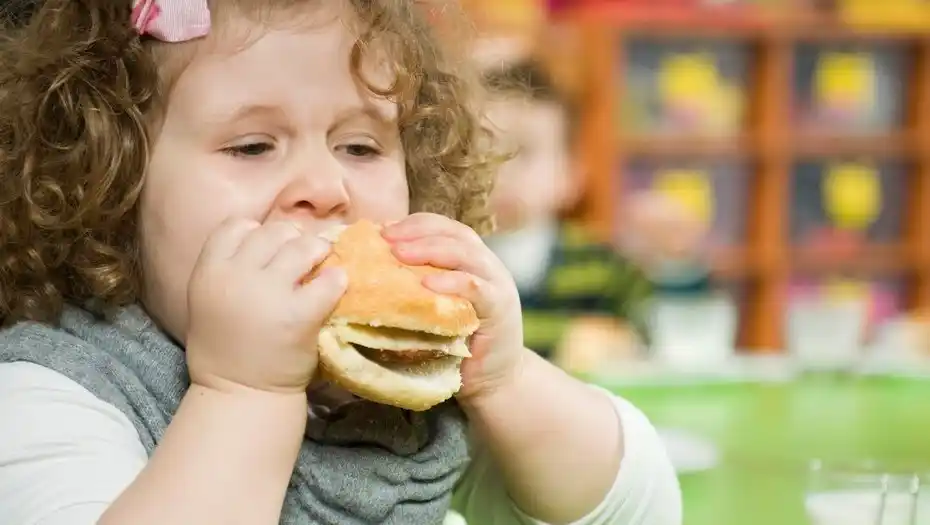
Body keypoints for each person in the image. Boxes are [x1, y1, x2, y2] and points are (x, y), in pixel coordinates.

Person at [0, 2, 681, 525]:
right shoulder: (49, 394)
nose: (325, 186)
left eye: (360, 147)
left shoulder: (393, 383)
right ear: (113, 186)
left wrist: (505, 381)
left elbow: (641, 507)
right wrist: (245, 393)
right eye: (252, 146)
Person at [481, 58, 710, 361]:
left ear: (570, 176)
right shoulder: (448, 258)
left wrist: (675, 261)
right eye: (480, 151)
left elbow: (666, 333)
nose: (501, 172)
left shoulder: (602, 265)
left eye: (523, 152)